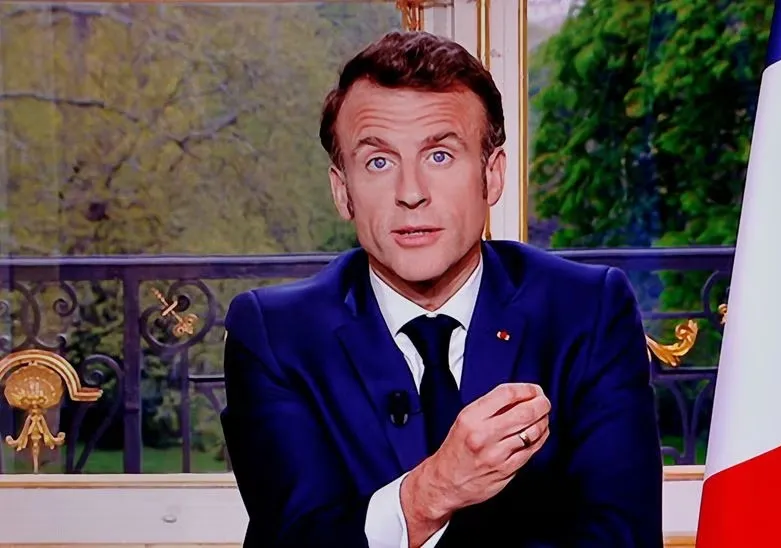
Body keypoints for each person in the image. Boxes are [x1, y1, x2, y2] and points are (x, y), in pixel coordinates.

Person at [220, 30, 663, 548]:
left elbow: (624, 537)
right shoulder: (275, 336)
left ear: (491, 176)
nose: (411, 193)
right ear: (343, 191)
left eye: (440, 156)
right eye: (379, 162)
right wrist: (430, 494)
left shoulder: (588, 312)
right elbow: (297, 537)